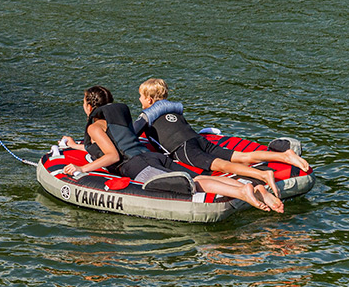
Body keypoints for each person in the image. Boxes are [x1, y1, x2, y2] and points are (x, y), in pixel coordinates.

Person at [60, 86, 282, 213]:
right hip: (151, 156)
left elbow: (112, 155)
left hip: (136, 166)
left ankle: (241, 192)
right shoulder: (116, 120)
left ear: (89, 107)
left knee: (194, 184)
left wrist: (83, 167)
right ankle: (257, 188)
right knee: (198, 175)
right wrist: (74, 145)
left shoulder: (94, 126)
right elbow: (113, 143)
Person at [132, 77, 310, 197]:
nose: (139, 99)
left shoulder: (147, 115)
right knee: (240, 156)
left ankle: (263, 175)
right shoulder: (173, 109)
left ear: (149, 99)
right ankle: (284, 156)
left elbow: (131, 133)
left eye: (140, 96)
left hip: (183, 148)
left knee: (222, 165)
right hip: (197, 139)